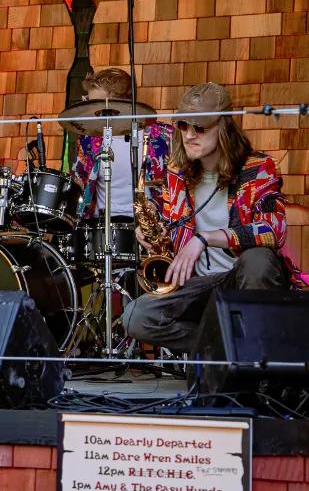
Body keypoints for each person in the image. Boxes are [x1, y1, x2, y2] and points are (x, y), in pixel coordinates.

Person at [121, 82, 292, 353]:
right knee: (136, 317)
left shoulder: (258, 167)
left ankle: (251, 352)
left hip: (240, 277)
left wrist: (205, 238)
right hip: (198, 284)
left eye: (199, 128)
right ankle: (223, 350)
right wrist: (154, 235)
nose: (189, 135)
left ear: (224, 127)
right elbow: (172, 223)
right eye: (183, 126)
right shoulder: (176, 173)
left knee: (258, 259)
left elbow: (274, 229)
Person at [70, 68, 172, 223]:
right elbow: (77, 183)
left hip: (151, 224)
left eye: (96, 104)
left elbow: (178, 185)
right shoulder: (89, 138)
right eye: (87, 101)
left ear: (121, 105)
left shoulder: (162, 136)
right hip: (100, 224)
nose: (90, 109)